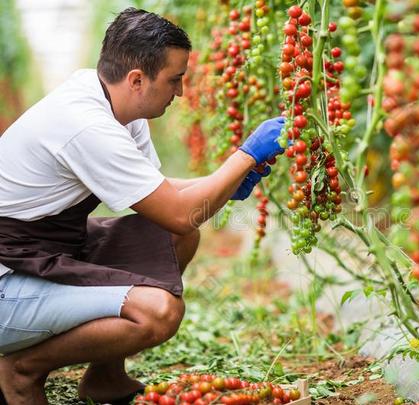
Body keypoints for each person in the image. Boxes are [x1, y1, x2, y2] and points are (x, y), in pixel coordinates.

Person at [0, 8, 284, 405]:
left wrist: (223, 183)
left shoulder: (113, 102)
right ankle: (22, 369)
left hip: (44, 250)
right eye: (175, 79)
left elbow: (162, 194)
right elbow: (179, 210)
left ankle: (105, 376)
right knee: (158, 312)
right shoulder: (86, 124)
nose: (181, 92)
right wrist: (246, 156)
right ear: (137, 79)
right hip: (8, 280)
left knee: (176, 237)